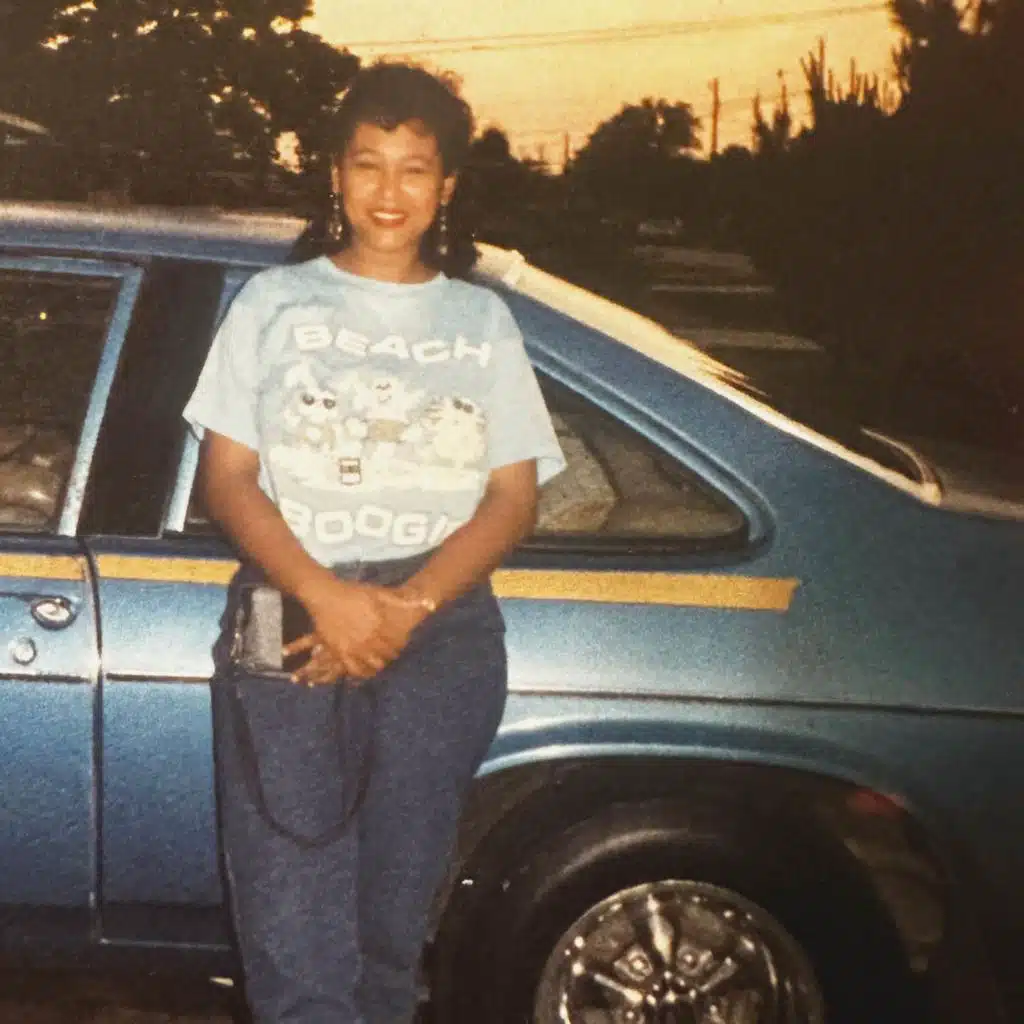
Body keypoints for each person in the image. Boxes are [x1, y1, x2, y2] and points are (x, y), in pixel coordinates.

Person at [183, 62, 564, 1024]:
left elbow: (512, 499)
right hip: (287, 607)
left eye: (414, 168)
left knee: (389, 934)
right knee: (292, 927)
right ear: (335, 175)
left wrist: (406, 608)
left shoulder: (482, 319)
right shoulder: (271, 304)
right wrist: (327, 595)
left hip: (442, 628)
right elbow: (226, 480)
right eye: (368, 164)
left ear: (447, 187)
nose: (388, 191)